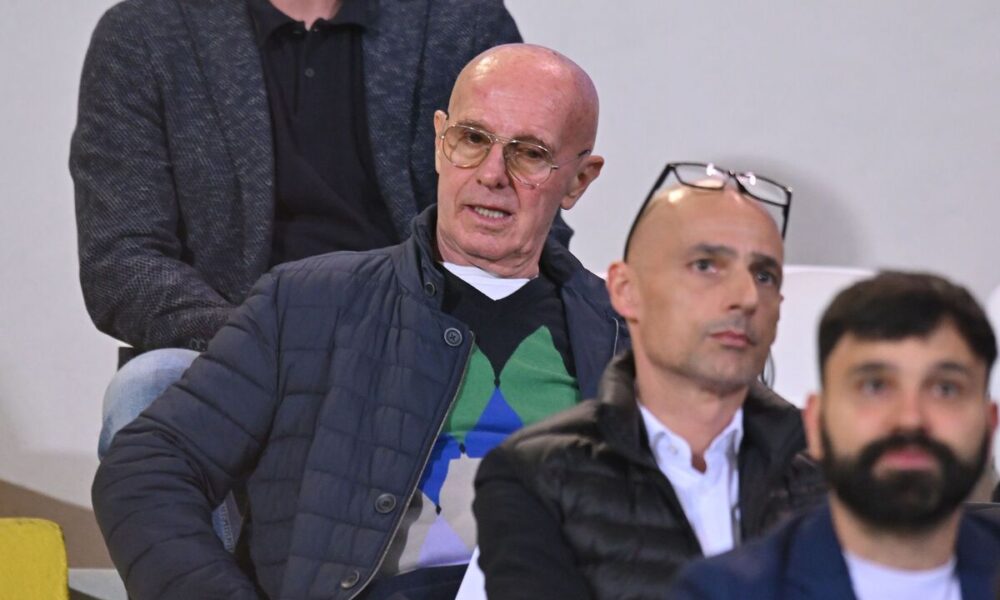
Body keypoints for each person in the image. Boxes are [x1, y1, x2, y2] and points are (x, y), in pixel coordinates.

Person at [92, 44, 620, 600]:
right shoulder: (307, 304)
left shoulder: (626, 339)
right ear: (441, 141)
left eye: (529, 153)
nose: (492, 174)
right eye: (472, 139)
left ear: (580, 179)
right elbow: (147, 468)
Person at [69, 0, 525, 457]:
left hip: (421, 345)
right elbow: (122, 263)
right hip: (228, 347)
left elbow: (525, 220)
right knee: (145, 390)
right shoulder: (145, 32)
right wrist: (265, 343)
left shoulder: (461, 21)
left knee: (548, 399)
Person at [472, 163, 824, 600]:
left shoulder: (838, 473)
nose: (746, 297)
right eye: (706, 265)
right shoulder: (537, 476)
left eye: (764, 275)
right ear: (625, 290)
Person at [669, 271, 1000, 600]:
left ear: (990, 424)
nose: (910, 419)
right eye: (874, 386)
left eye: (945, 389)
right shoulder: (723, 593)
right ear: (816, 423)